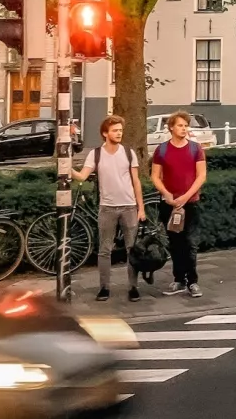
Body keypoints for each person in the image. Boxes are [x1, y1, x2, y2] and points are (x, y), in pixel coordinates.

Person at [77, 114, 145, 302]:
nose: (119, 133)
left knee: (132, 249)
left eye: (120, 130)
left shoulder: (128, 153)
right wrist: (66, 168)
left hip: (129, 206)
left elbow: (136, 181)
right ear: (105, 133)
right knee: (105, 250)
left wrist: (141, 207)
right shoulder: (96, 154)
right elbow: (82, 176)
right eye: (115, 130)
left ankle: (133, 287)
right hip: (107, 207)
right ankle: (104, 288)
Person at [150, 111, 208, 298]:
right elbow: (155, 176)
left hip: (190, 203)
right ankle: (179, 279)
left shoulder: (195, 149)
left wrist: (186, 196)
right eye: (180, 125)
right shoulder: (162, 150)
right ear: (171, 128)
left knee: (190, 243)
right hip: (170, 204)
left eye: (186, 126)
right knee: (175, 243)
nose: (184, 129)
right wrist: (166, 194)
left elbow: (201, 175)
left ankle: (193, 281)